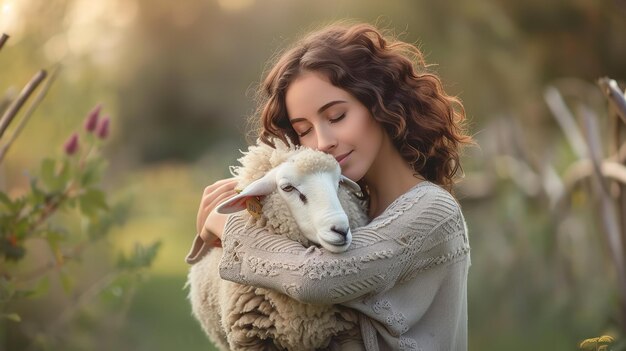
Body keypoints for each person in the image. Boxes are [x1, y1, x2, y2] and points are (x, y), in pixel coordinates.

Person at [193, 21, 473, 351]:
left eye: (337, 116)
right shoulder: (347, 209)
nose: (322, 142)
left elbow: (319, 279)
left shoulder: (434, 211)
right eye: (304, 130)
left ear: (380, 103)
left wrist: (229, 226)